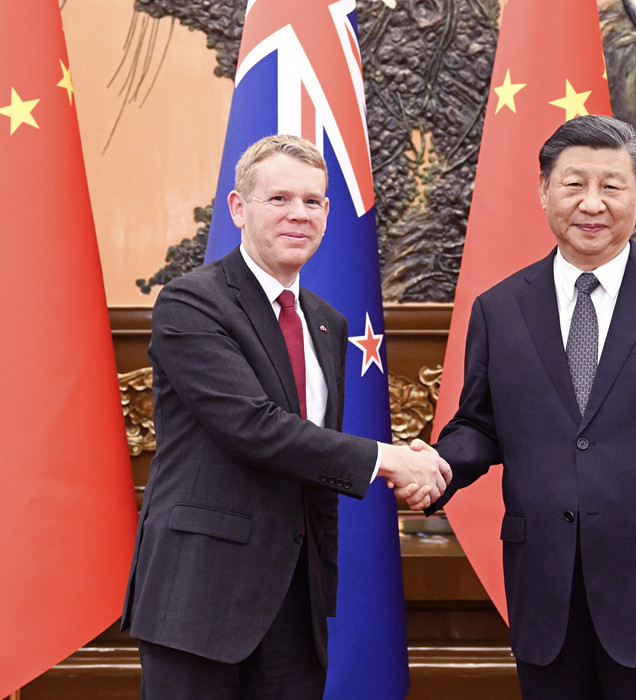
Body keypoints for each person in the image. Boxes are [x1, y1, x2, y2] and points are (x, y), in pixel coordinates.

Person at [416, 115, 636, 699]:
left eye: (612, 186)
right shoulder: (500, 308)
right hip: (546, 593)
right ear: (544, 191)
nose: (592, 203)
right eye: (574, 184)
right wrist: (435, 467)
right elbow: (479, 423)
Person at [121, 134, 450, 699]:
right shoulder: (191, 302)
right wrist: (387, 460)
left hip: (295, 604)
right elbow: (254, 427)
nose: (300, 213)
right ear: (238, 208)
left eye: (313, 201)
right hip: (199, 598)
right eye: (279, 199)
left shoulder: (327, 322)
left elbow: (313, 461)